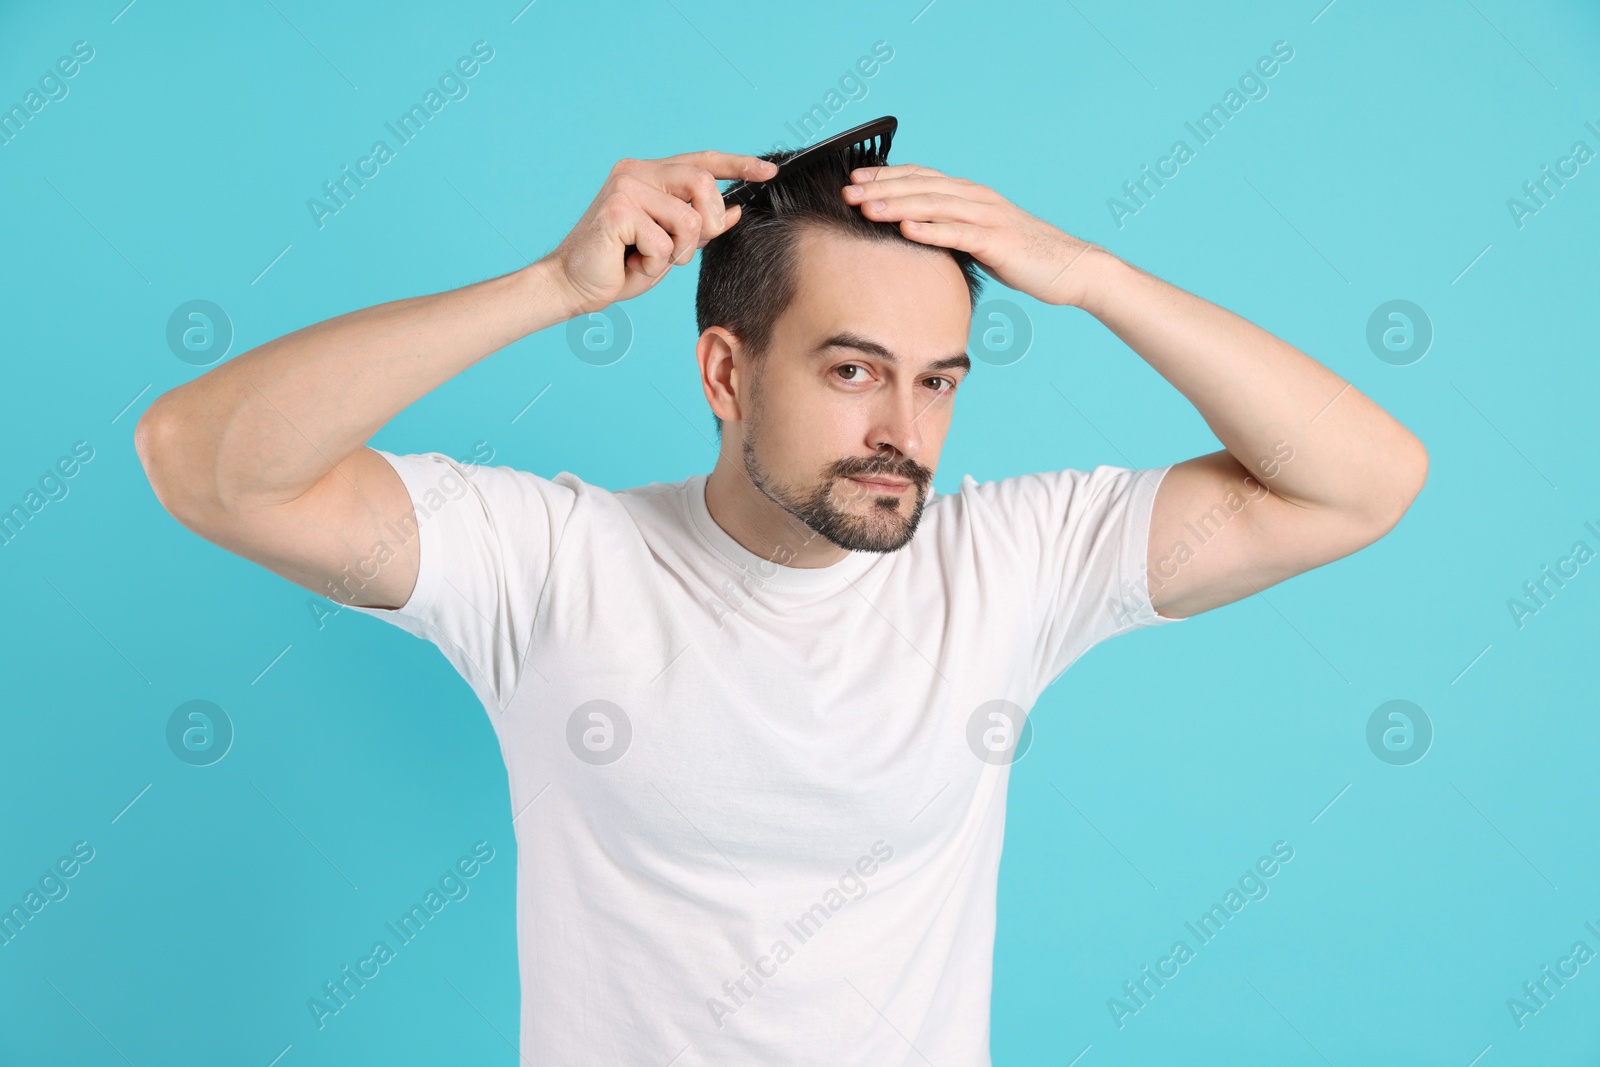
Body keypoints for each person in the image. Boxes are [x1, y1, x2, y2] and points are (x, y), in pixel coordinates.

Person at [134, 143, 1427, 1063]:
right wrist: (552, 289)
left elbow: (1363, 483)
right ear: (724, 370)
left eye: (939, 382)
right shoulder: (551, 563)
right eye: (856, 370)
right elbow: (203, 463)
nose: (904, 431)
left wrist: (1091, 275)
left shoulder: (1009, 566)